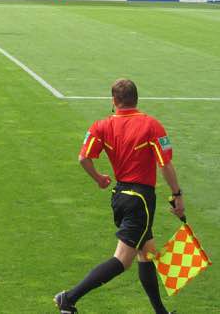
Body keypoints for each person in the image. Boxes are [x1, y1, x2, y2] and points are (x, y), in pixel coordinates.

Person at [54, 79, 184, 314]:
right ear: (137, 99)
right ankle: (69, 298)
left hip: (120, 197)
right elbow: (164, 164)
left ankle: (161, 312)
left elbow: (83, 158)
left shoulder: (100, 126)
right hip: (141, 200)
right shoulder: (151, 125)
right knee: (122, 261)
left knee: (147, 253)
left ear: (114, 101)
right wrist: (177, 195)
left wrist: (99, 178)